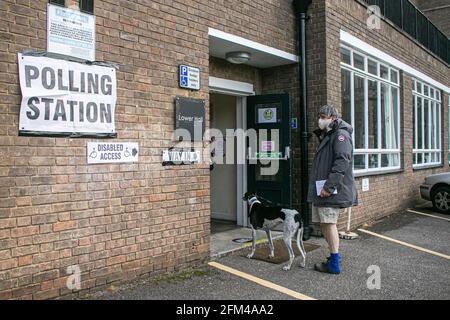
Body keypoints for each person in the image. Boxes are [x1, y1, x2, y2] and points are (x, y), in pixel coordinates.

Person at [307, 105, 358, 274]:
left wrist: (329, 187)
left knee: (329, 224)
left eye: (323, 116)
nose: (320, 120)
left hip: (329, 189)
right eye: (319, 116)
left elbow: (342, 162)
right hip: (323, 188)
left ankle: (334, 262)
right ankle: (333, 255)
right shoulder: (329, 134)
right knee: (325, 224)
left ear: (333, 118)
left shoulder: (340, 135)